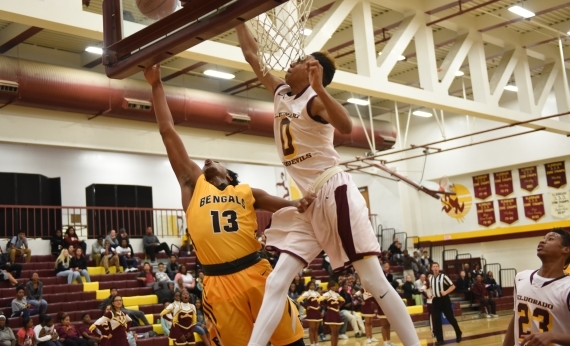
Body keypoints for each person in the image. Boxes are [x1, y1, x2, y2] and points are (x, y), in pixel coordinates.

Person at [237, 25, 421, 346]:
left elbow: (347, 126)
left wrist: (320, 88)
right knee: (277, 281)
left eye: (298, 62)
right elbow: (253, 56)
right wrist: (237, 18)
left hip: (334, 191)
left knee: (372, 279)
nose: (289, 64)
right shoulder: (281, 93)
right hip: (308, 202)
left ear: (312, 73)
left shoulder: (314, 101)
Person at [144, 64, 307, 346]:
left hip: (256, 272)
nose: (207, 160)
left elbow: (288, 204)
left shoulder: (246, 191)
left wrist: (301, 202)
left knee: (290, 342)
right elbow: (167, 131)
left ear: (229, 175)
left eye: (215, 161)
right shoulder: (193, 186)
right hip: (217, 283)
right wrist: (156, 85)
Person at [503, 229, 570, 346]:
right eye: (543, 238)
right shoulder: (521, 277)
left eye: (550, 239)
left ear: (566, 249)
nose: (542, 241)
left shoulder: (567, 288)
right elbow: (516, 318)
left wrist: (554, 336)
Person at [427, 262, 462, 345]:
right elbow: (431, 287)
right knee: (437, 320)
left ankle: (458, 333)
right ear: (431, 268)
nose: (435, 268)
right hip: (435, 301)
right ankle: (440, 340)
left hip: (444, 300)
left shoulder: (443, 276)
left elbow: (453, 286)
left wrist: (446, 292)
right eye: (434, 266)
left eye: (436, 266)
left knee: (451, 318)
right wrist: (431, 293)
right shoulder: (430, 278)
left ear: (439, 268)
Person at [297, 282, 324, 346]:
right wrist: (306, 307)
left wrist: (319, 305)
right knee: (312, 329)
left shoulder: (317, 293)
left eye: (313, 285)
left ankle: (316, 343)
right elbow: (299, 300)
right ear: (308, 286)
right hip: (311, 312)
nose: (312, 286)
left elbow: (321, 301)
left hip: (317, 312)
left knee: (316, 329)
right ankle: (312, 343)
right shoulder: (307, 293)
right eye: (311, 285)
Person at [322, 281, 344, 346]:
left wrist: (339, 305)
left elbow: (343, 301)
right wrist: (326, 306)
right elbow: (319, 300)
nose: (334, 287)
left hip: (336, 313)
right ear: (329, 287)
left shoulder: (337, 294)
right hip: (331, 314)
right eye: (332, 286)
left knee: (337, 332)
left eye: (334, 286)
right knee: (333, 332)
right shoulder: (327, 294)